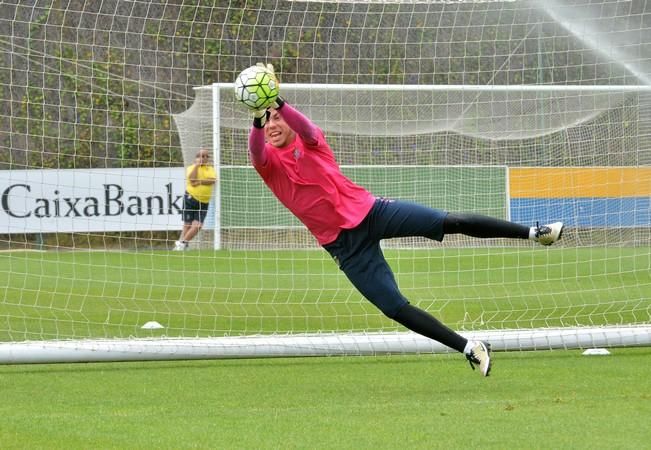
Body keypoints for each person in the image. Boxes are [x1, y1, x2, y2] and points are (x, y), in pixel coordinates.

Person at [245, 65, 564, 376]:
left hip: (372, 213)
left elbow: (305, 127)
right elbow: (256, 151)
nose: (273, 125)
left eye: (277, 119)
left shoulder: (312, 143)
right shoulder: (268, 164)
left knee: (448, 222)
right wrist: (259, 117)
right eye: (268, 121)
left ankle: (536, 233)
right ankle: (469, 347)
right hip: (344, 246)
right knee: (393, 306)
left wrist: (279, 102)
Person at [174, 148, 217, 251]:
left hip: (204, 201)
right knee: (187, 224)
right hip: (191, 198)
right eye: (202, 156)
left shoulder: (209, 169)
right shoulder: (191, 168)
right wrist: (197, 167)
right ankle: (183, 246)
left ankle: (182, 243)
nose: (204, 158)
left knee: (198, 225)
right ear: (197, 158)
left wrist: (200, 182)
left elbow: (212, 180)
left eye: (206, 156)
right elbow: (192, 180)